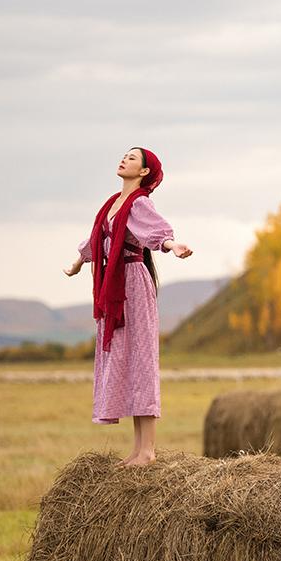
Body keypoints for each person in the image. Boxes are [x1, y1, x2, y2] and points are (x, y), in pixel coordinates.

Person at [64, 147, 192, 467]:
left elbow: (155, 233)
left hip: (133, 283)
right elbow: (96, 239)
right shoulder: (112, 204)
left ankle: (148, 450)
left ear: (145, 172)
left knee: (142, 360)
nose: (124, 160)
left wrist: (173, 245)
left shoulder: (140, 203)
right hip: (114, 288)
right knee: (127, 362)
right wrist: (79, 262)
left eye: (133, 158)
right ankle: (137, 450)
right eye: (124, 156)